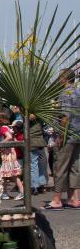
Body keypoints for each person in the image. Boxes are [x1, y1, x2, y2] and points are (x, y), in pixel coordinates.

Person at [45, 68, 80, 210]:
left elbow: (65, 116)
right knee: (75, 167)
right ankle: (74, 198)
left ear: (64, 79)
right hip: (78, 134)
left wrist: (60, 135)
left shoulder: (65, 93)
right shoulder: (78, 91)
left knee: (61, 167)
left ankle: (57, 199)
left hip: (68, 134)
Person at [0, 111, 24, 200]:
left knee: (12, 175)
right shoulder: (7, 127)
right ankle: (4, 192)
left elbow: (9, 137)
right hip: (9, 152)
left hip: (8, 154)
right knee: (5, 174)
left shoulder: (3, 128)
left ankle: (22, 191)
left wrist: (0, 144)